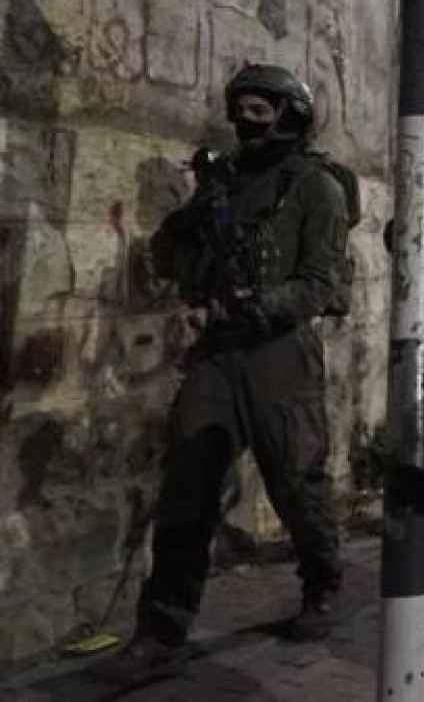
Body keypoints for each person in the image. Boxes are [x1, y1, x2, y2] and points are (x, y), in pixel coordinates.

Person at [95, 64, 350, 686]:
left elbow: (320, 282)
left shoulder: (316, 187)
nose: (244, 120)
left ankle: (321, 582)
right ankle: (162, 633)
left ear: (289, 115)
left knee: (296, 483)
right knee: (187, 489)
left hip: (280, 353)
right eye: (239, 108)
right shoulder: (221, 184)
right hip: (217, 353)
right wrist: (185, 230)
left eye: (260, 109)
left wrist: (260, 305)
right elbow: (171, 260)